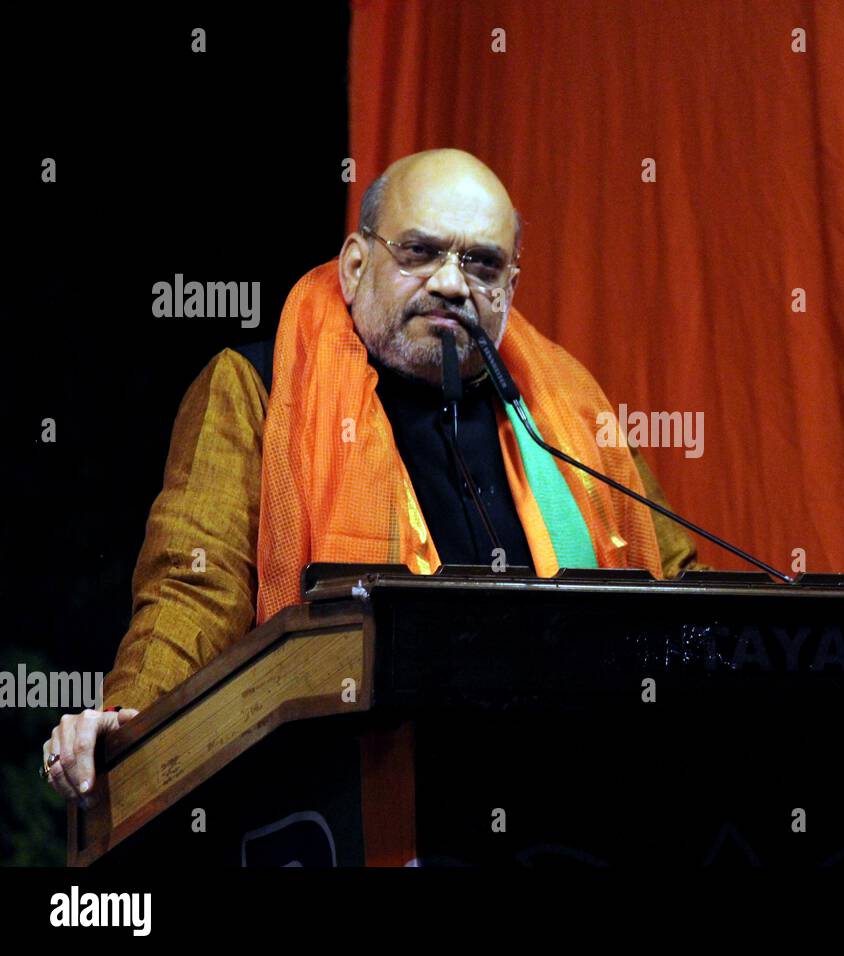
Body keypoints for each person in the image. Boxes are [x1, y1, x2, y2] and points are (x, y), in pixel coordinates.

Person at [41, 148, 700, 806]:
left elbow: (681, 598)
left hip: (576, 793)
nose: (450, 283)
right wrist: (130, 720)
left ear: (510, 287)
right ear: (355, 266)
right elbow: (194, 592)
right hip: (349, 798)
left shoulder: (571, 422)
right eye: (420, 252)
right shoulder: (260, 392)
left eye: (481, 263)